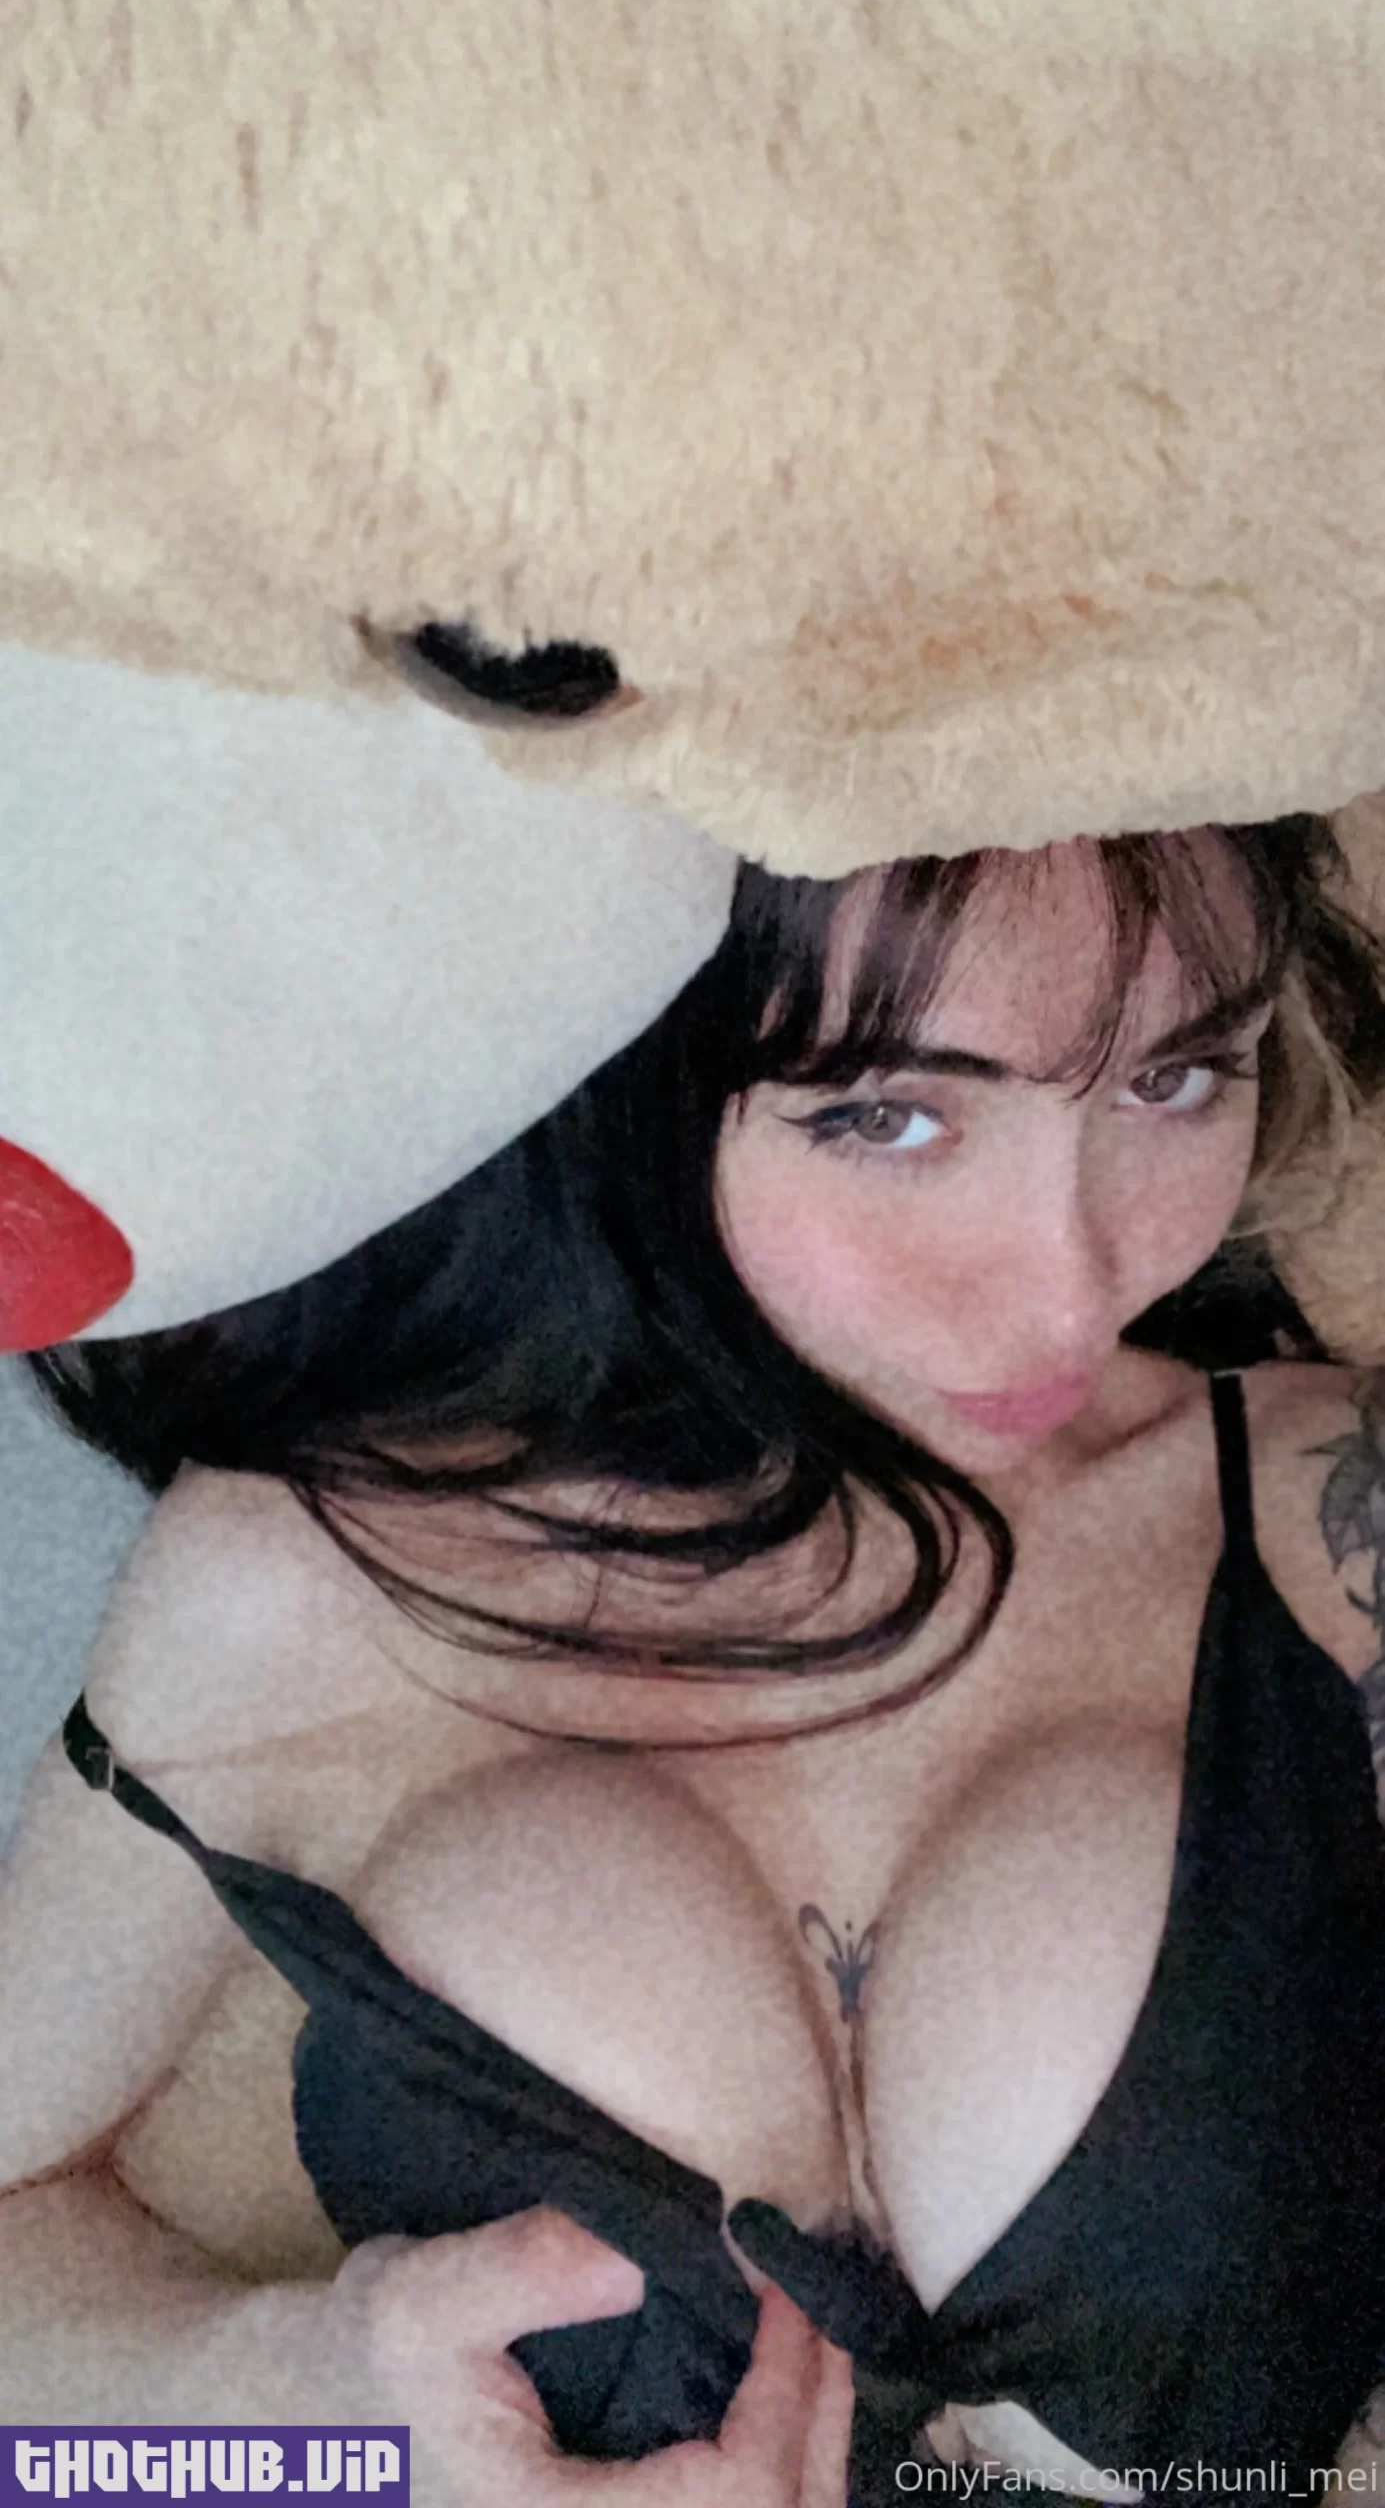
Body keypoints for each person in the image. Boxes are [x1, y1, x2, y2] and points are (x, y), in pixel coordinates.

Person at [3, 815, 1385, 2506]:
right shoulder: (307, 1587)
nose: (1067, 1288)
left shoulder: (1336, 1525)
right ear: (622, 1063)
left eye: (1178, 1078)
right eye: (884, 1115)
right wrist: (284, 2400)